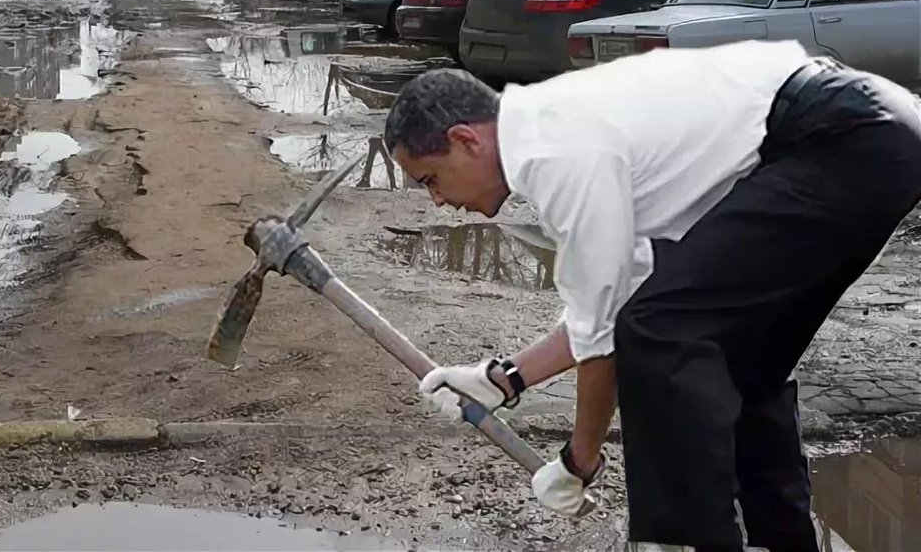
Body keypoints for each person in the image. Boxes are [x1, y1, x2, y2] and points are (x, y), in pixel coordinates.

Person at [384, 41, 921, 551]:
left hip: (841, 139)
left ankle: (706, 541)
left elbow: (608, 338)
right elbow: (620, 298)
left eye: (432, 179)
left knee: (660, 332)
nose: (437, 202)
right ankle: (780, 541)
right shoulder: (559, 124)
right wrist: (504, 379)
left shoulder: (557, 152)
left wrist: (579, 462)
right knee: (735, 366)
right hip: (870, 133)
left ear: (467, 140)